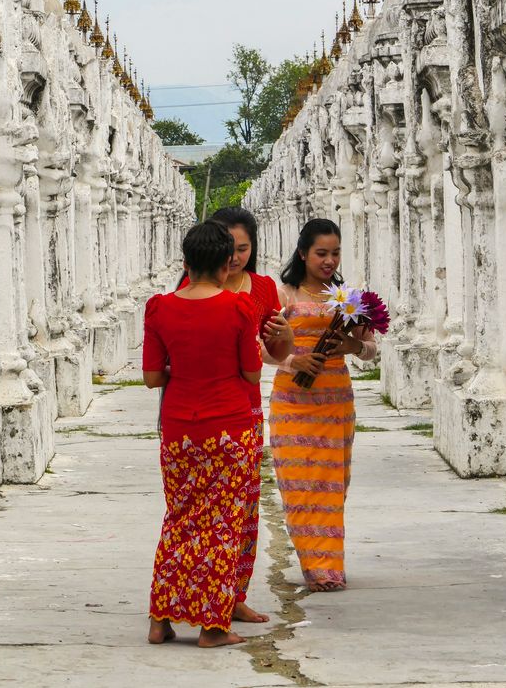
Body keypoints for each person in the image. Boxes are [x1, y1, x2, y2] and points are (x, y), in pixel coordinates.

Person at [143, 220, 261, 648]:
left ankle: (161, 620)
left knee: (180, 519)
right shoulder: (238, 308)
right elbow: (250, 371)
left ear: (186, 263)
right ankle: (212, 626)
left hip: (179, 430)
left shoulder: (158, 307)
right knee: (222, 525)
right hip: (228, 426)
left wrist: (184, 369)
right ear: (228, 265)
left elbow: (154, 377)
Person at [177, 206, 294, 623]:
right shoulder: (190, 290)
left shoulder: (262, 288)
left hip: (245, 407)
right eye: (228, 249)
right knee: (199, 512)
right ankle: (200, 599)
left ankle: (233, 593)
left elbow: (276, 357)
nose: (234, 257)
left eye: (242, 248)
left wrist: (284, 337)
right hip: (199, 411)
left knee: (243, 510)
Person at [269, 219, 377, 593]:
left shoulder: (348, 299)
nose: (329, 261)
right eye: (321, 253)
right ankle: (316, 566)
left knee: (331, 484)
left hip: (334, 399)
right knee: (300, 484)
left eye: (335, 253)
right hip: (292, 402)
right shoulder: (283, 296)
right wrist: (292, 361)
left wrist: (352, 347)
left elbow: (371, 350)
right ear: (303, 254)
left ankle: (329, 564)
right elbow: (260, 348)